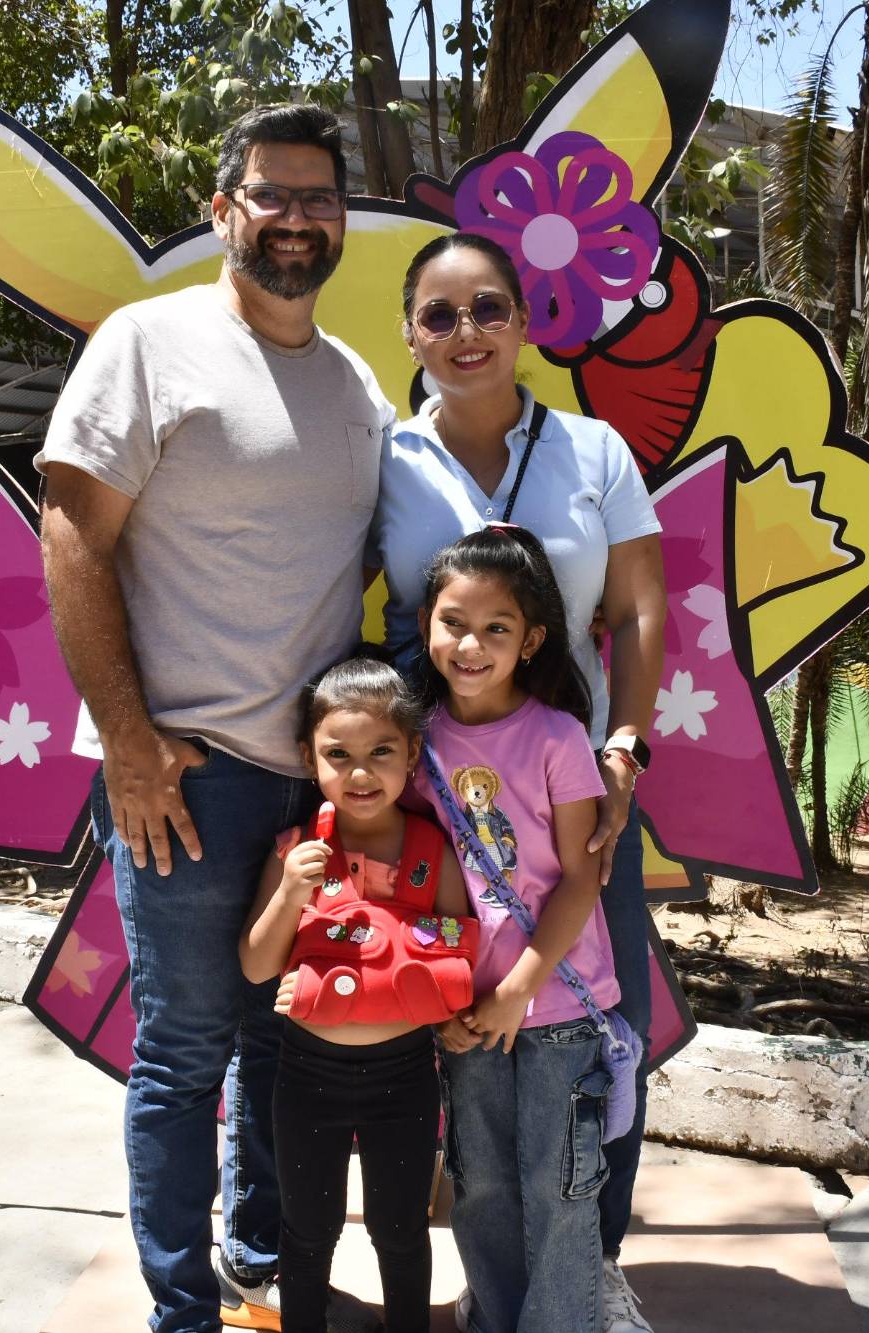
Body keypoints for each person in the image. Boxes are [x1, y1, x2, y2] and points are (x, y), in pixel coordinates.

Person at [38, 103, 391, 1332]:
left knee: (282, 1044)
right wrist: (128, 747)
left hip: (312, 788)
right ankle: (180, 1311)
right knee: (186, 1056)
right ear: (221, 208)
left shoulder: (355, 385)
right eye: (272, 194)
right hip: (184, 782)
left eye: (317, 197)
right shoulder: (149, 342)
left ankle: (252, 1264)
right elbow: (73, 538)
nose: (296, 218)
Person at [368, 232, 667, 1331]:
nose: (464, 333)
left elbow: (636, 607)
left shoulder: (591, 451)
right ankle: (501, 1282)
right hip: (434, 800)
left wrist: (625, 741)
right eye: (438, 315)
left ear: (525, 323)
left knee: (597, 1021)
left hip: (576, 787)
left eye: (486, 308)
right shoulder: (387, 459)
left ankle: (590, 1270)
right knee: (458, 1046)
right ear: (409, 333)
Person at [413, 526, 622, 1333]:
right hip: (463, 1008)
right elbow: (415, 877)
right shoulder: (417, 738)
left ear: (531, 639)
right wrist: (445, 998)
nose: (471, 644)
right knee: (483, 1180)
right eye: (454, 622)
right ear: (427, 621)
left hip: (556, 1010)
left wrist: (517, 992)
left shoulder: (560, 738)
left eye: (496, 628)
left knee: (560, 1184)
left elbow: (580, 878)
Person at [239, 654, 470, 1333]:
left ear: (413, 755)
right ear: (311, 760)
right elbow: (255, 966)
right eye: (338, 754)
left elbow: (457, 950)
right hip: (307, 1074)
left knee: (400, 1232)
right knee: (306, 1233)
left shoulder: (434, 850)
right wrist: (290, 891)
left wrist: (453, 1013)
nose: (360, 772)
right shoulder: (293, 850)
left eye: (381, 752)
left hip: (405, 1076)